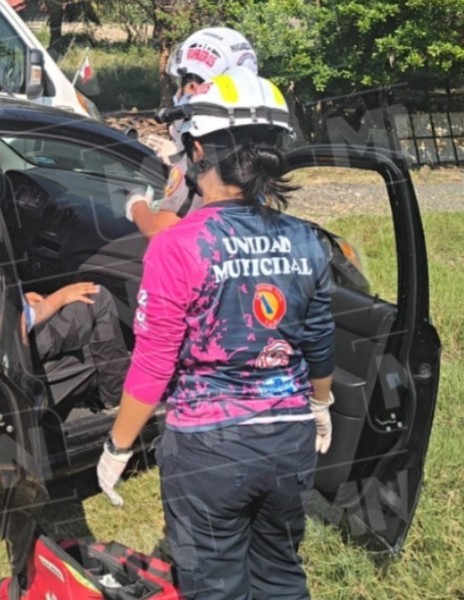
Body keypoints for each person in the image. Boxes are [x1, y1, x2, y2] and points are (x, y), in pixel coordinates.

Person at [97, 68, 335, 599]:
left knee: (214, 585)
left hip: (208, 448)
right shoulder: (306, 239)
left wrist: (119, 445)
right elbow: (318, 334)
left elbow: (155, 360)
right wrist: (320, 404)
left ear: (198, 148)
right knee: (280, 573)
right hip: (289, 438)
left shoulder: (178, 245)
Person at [130, 27, 259, 239]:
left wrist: (136, 205)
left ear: (192, 88)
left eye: (183, 86)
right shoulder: (253, 145)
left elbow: (160, 234)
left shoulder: (197, 159)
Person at [23, 282, 129, 411]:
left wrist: (22, 300)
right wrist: (63, 295)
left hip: (19, 319)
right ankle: (119, 398)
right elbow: (25, 321)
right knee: (98, 297)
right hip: (21, 339)